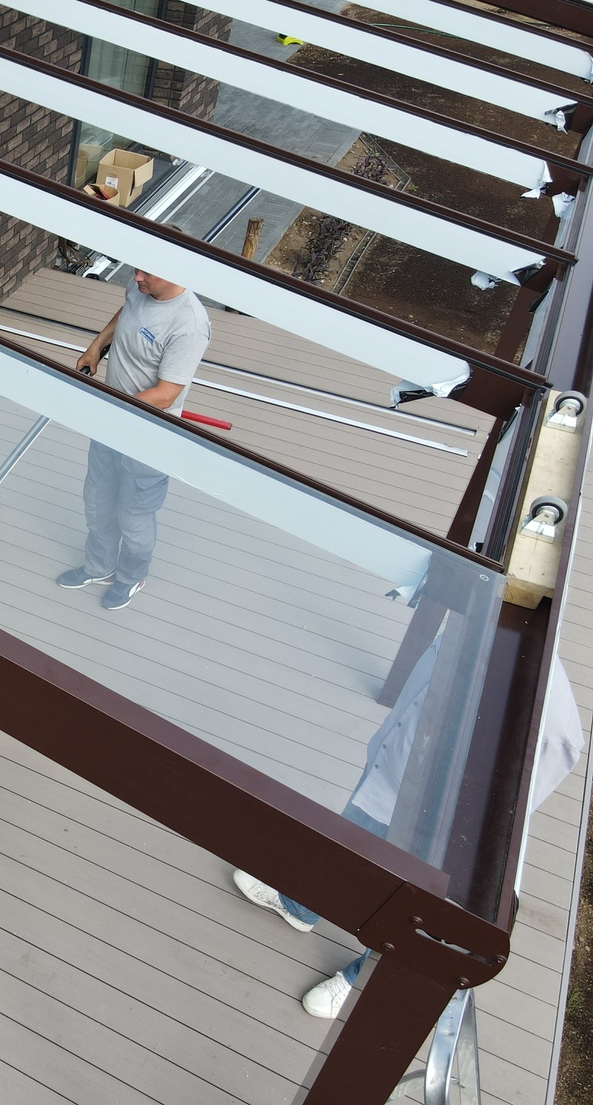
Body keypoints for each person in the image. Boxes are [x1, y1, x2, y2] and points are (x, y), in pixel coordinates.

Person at [233, 641, 584, 1020]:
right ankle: (301, 906)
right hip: (394, 768)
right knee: (349, 840)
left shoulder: (546, 709)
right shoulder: (466, 625)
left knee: (411, 902)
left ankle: (359, 981)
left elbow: (540, 771)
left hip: (441, 814)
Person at [56, 270, 211, 610]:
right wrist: (96, 347)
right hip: (111, 425)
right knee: (97, 499)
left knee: (133, 515)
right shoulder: (141, 286)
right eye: (136, 268)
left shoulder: (189, 325)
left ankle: (130, 577)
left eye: (146, 272)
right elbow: (126, 310)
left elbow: (166, 395)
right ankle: (99, 568)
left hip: (149, 438)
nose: (136, 276)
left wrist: (113, 408)